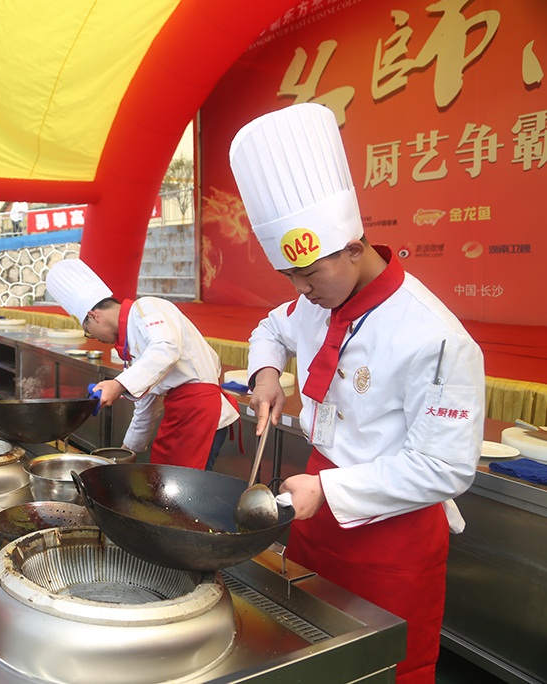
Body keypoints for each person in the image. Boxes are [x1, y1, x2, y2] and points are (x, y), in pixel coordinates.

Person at [229, 103, 484, 684]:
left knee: (387, 665)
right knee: (309, 646)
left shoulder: (433, 336)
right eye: (289, 277)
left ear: (353, 246)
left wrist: (329, 490)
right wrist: (265, 374)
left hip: (392, 533)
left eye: (309, 274)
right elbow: (271, 327)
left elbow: (444, 467)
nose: (300, 290)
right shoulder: (318, 300)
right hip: (315, 510)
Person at [46, 258, 239, 468]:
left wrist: (118, 385)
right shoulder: (131, 343)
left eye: (88, 331)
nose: (94, 337)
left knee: (186, 484)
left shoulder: (147, 307)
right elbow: (148, 402)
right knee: (164, 479)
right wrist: (128, 450)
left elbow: (167, 348)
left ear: (94, 316)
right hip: (179, 415)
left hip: (201, 413)